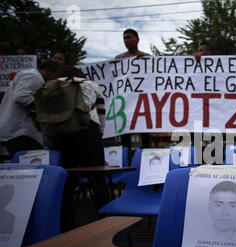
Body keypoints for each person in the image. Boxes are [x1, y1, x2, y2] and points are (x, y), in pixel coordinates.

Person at [47, 66, 109, 231]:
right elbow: (101, 110)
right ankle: (105, 219)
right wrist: (99, 132)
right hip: (89, 132)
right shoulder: (90, 84)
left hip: (64, 135)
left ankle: (65, 221)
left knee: (68, 179)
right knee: (98, 176)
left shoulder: (55, 85)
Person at [0, 59, 60, 157]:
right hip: (20, 132)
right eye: (53, 75)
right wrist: (40, 107)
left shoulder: (30, 74)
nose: (53, 78)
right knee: (31, 162)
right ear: (48, 70)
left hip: (20, 131)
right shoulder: (34, 76)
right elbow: (21, 97)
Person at [115, 29, 152, 151]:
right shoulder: (119, 59)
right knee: (125, 134)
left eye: (129, 37)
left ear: (137, 39)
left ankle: (147, 157)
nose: (126, 40)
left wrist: (147, 59)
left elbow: (154, 76)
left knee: (144, 132)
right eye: (124, 38)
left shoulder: (146, 57)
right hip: (125, 102)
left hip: (141, 102)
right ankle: (126, 160)